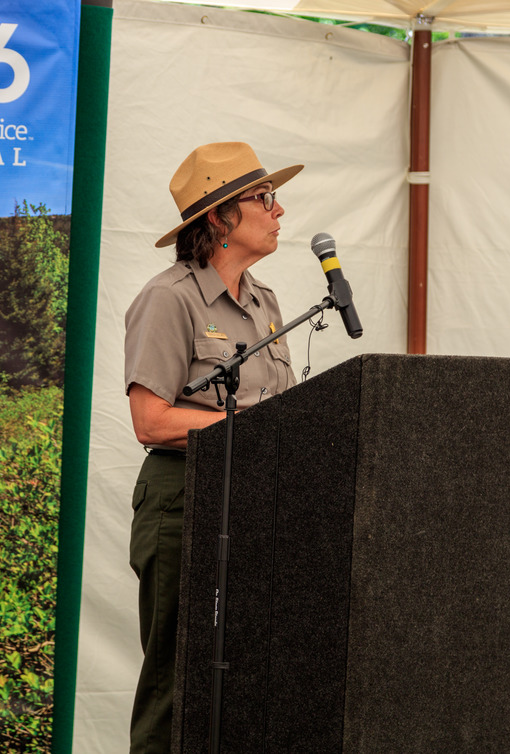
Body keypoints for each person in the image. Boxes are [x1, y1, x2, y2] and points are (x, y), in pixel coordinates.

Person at [123, 141, 302, 753]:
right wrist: (246, 424)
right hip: (183, 501)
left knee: (247, 679)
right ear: (221, 218)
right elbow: (150, 421)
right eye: (265, 198)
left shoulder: (267, 303)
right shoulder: (168, 299)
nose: (279, 211)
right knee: (177, 681)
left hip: (252, 502)